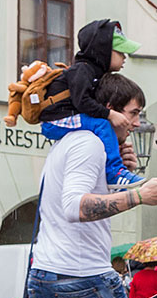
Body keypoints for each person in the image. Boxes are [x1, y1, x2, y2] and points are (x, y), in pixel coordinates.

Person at [27, 72, 157, 298]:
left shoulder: (69, 142)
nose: (136, 123)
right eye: (134, 113)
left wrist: (120, 175)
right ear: (110, 109)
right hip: (81, 276)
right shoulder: (89, 144)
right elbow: (75, 206)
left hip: (46, 274)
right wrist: (139, 196)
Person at [38, 19, 145, 187]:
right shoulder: (83, 70)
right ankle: (115, 172)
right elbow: (82, 102)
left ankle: (116, 170)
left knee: (100, 125)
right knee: (101, 125)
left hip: (64, 118)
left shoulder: (91, 71)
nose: (125, 57)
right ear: (103, 50)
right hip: (55, 120)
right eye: (120, 52)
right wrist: (109, 114)